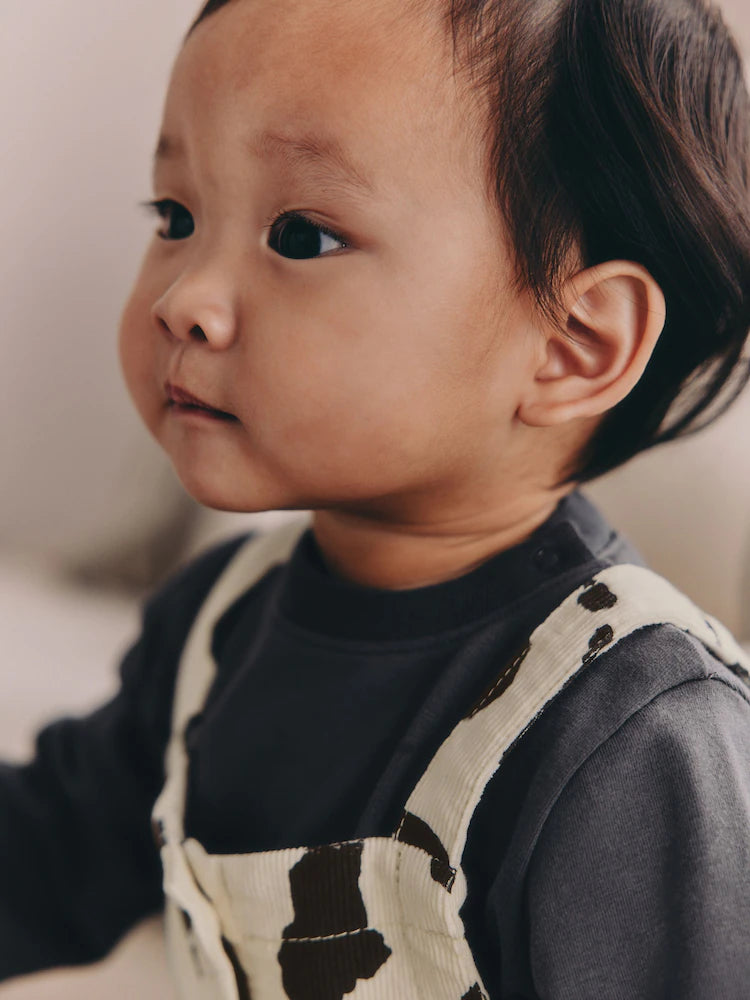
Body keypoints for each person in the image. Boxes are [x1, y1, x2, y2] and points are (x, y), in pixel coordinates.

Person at [2, 0, 750, 997]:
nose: (184, 300)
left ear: (572, 346)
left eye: (301, 236)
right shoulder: (219, 627)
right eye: (175, 216)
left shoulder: (633, 734)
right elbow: (43, 865)